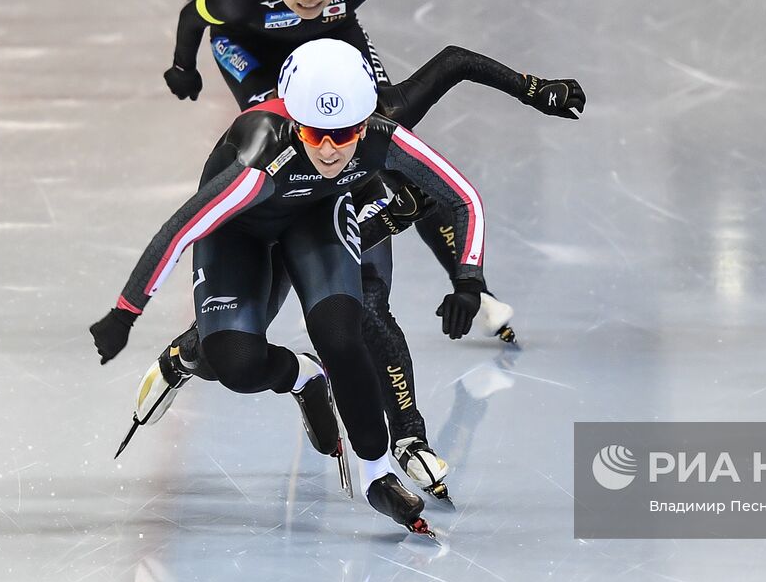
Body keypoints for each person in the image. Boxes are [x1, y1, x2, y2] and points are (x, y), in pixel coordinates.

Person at [152, 0, 586, 495]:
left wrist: (468, 279)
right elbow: (193, 18)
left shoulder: (368, 1)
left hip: (341, 61)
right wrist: (185, 66)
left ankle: (406, 434)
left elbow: (449, 73)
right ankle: (212, 342)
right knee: (280, 222)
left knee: (375, 281)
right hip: (258, 61)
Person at [89, 39, 493, 536]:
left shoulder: (382, 139)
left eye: (342, 134)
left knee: (343, 335)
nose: (327, 148)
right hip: (237, 231)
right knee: (236, 364)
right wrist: (125, 314)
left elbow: (464, 197)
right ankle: (302, 377)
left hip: (315, 221)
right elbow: (181, 230)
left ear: (365, 124)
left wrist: (468, 280)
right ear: (293, 123)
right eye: (313, 133)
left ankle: (377, 474)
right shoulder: (259, 158)